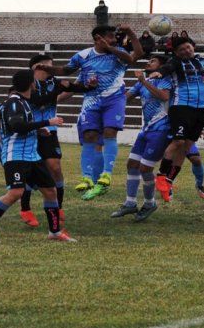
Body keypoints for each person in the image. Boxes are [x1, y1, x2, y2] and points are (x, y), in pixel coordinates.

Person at [34, 25, 144, 201]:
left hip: (114, 99)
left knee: (109, 132)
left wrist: (127, 36)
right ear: (97, 38)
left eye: (114, 37)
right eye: (110, 37)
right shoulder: (83, 55)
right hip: (91, 100)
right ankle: (87, 177)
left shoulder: (118, 53)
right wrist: (46, 69)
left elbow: (134, 57)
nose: (114, 39)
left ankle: (107, 174)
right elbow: (65, 71)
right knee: (89, 136)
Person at [0, 69, 76, 243]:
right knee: (15, 193)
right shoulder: (15, 103)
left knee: (50, 191)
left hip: (31, 155)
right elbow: (17, 126)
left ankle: (55, 232)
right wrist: (46, 122)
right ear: (31, 84)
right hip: (16, 156)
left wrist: (37, 129)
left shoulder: (21, 102)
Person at [148, 37, 204, 201]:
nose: (185, 51)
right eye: (181, 50)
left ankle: (169, 180)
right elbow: (167, 67)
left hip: (201, 109)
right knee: (178, 142)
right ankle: (160, 175)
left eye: (187, 47)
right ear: (176, 53)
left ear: (193, 47)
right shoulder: (176, 62)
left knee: (187, 147)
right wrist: (160, 72)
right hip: (181, 107)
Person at [17, 54, 97, 228]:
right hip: (32, 131)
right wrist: (58, 90)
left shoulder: (55, 82)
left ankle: (58, 206)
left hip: (50, 132)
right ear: (36, 68)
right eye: (47, 66)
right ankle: (25, 208)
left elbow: (76, 88)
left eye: (52, 66)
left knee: (55, 168)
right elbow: (38, 102)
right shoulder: (27, 84)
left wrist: (88, 86)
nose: (51, 69)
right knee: (30, 172)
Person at [110, 55, 173, 221]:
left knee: (145, 169)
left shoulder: (164, 80)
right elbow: (125, 98)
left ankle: (149, 203)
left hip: (161, 128)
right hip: (146, 129)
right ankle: (130, 203)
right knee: (132, 164)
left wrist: (144, 81)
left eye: (153, 61)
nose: (148, 62)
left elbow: (165, 97)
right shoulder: (141, 82)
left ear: (161, 66)